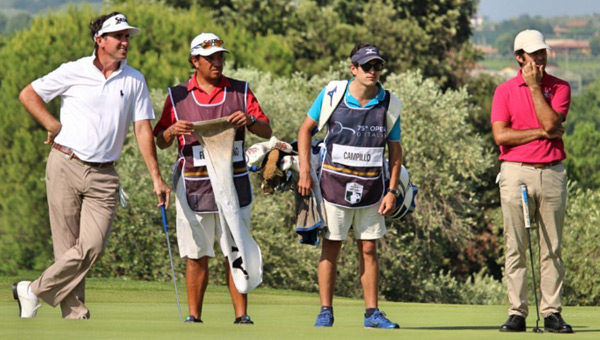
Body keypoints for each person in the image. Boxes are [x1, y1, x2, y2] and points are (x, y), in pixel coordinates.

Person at [13, 12, 170, 319]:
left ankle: (30, 291)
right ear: (100, 40)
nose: (125, 42)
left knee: (91, 246)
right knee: (67, 244)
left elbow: (142, 130)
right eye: (119, 37)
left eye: (127, 37)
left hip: (104, 174)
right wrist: (53, 125)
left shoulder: (135, 79)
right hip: (65, 164)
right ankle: (74, 314)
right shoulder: (73, 71)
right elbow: (28, 94)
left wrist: (156, 177)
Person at [153, 32, 272, 324]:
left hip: (234, 184)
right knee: (197, 254)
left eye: (220, 57)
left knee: (237, 249)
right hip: (194, 185)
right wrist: (171, 131)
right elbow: (160, 140)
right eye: (210, 58)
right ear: (194, 61)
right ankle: (194, 317)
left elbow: (267, 131)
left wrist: (251, 120)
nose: (217, 62)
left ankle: (242, 316)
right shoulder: (177, 96)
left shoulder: (241, 91)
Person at [297, 42, 402, 329]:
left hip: (372, 190)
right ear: (352, 68)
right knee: (331, 247)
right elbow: (305, 130)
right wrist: (305, 170)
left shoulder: (390, 103)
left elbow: (395, 152)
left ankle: (372, 314)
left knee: (369, 249)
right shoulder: (333, 94)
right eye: (366, 66)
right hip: (333, 185)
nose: (372, 71)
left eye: (377, 66)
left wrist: (392, 191)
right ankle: (325, 310)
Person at [491, 29, 573, 333]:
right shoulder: (504, 91)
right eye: (533, 53)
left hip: (552, 171)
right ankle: (517, 312)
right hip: (515, 171)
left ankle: (551, 312)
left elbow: (553, 122)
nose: (540, 58)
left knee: (552, 246)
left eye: (542, 52)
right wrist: (541, 133)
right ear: (519, 57)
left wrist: (535, 88)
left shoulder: (560, 87)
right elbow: (502, 136)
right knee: (516, 246)